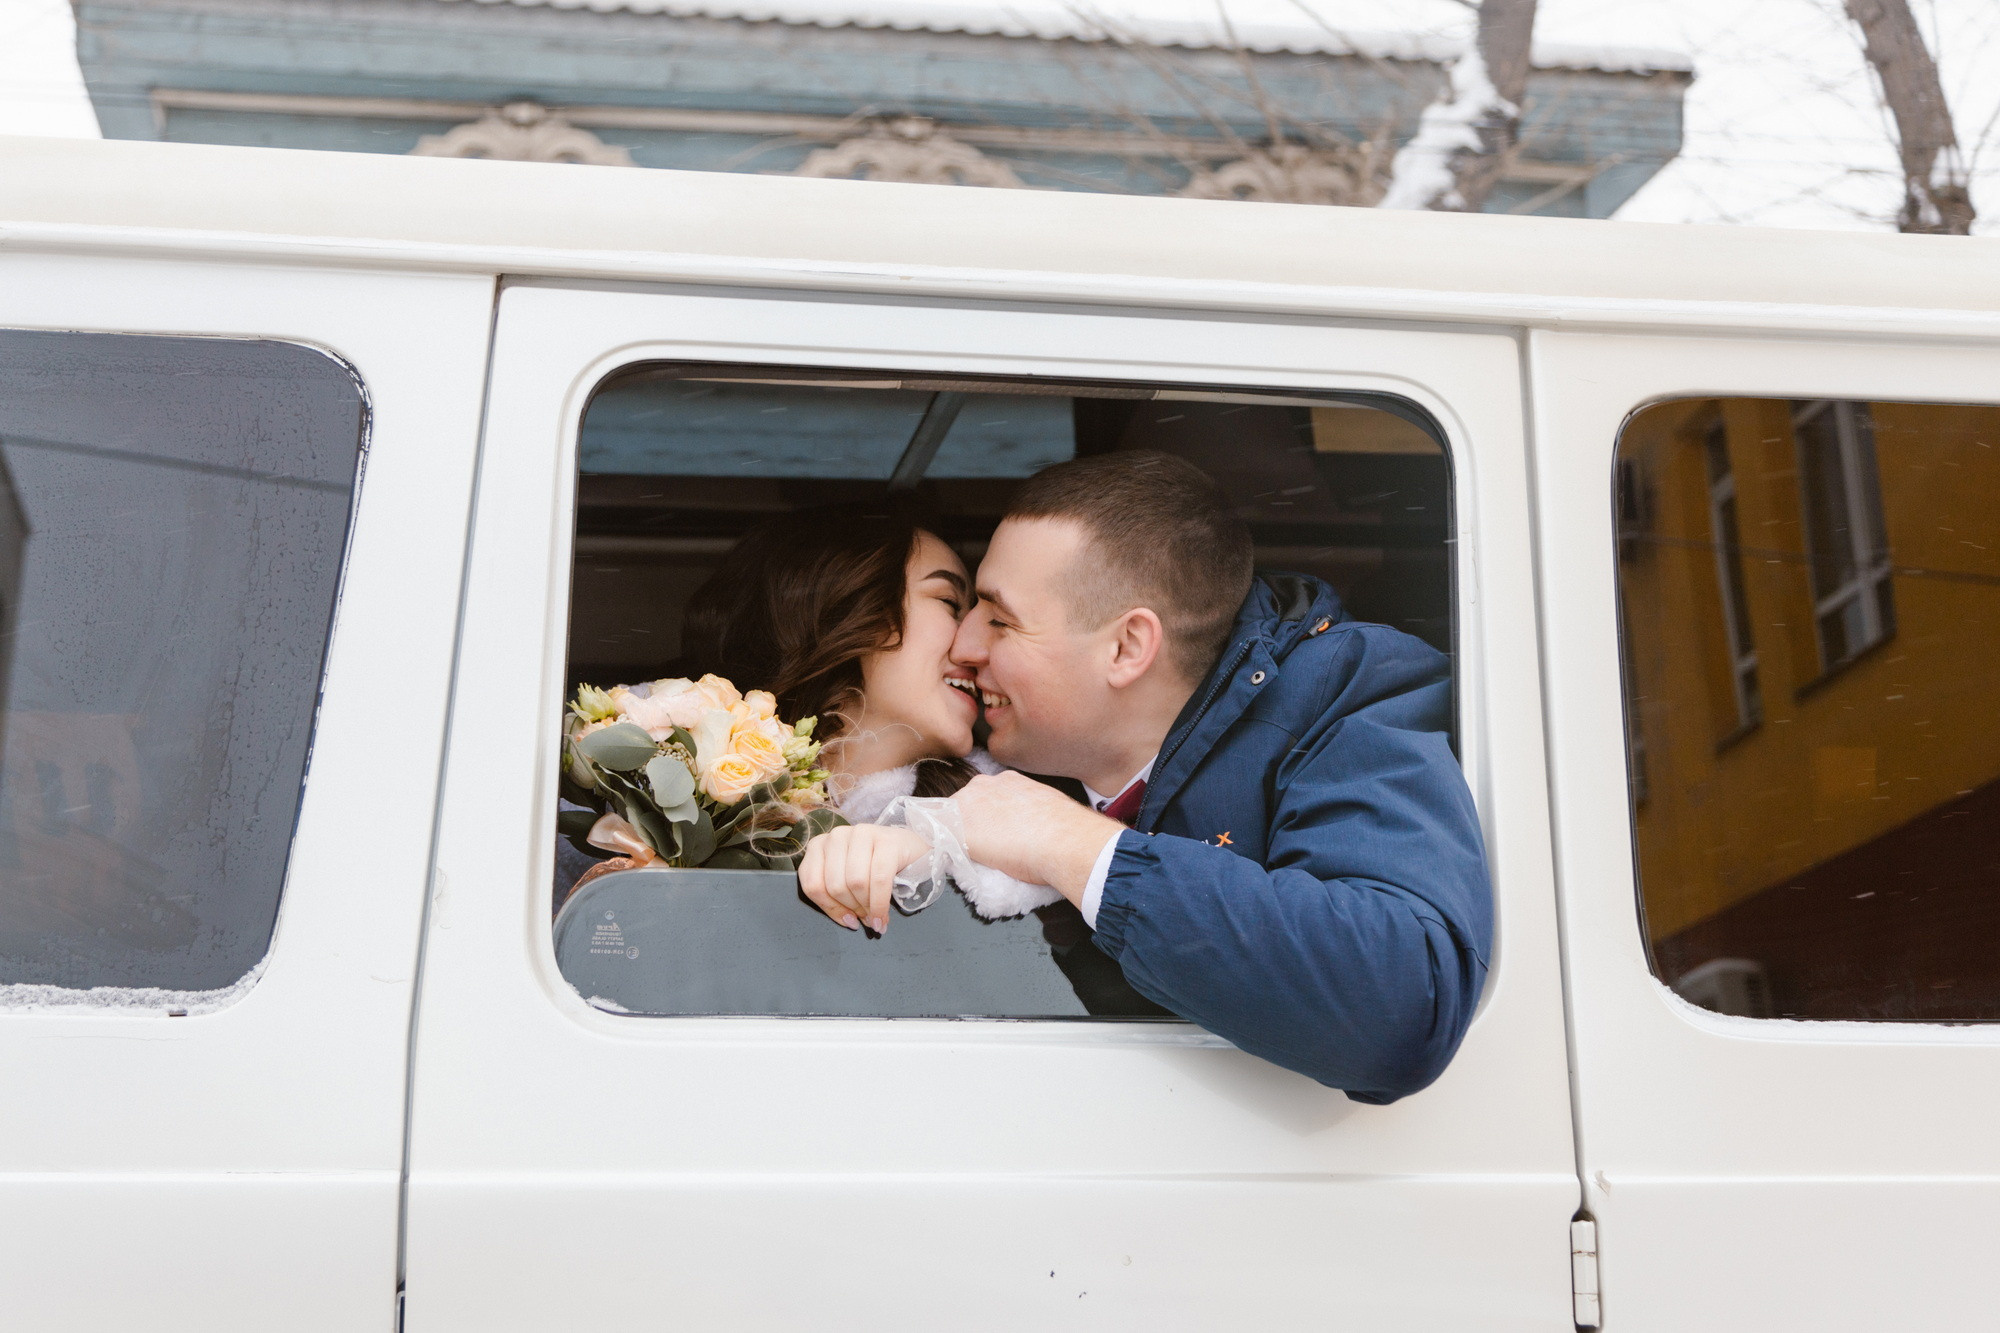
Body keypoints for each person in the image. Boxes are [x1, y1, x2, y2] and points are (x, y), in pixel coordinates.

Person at [803, 451, 1492, 1103]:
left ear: (1128, 646)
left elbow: (1403, 1005)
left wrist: (1073, 845)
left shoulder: (1349, 692)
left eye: (1001, 619)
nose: (968, 645)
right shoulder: (1016, 762)